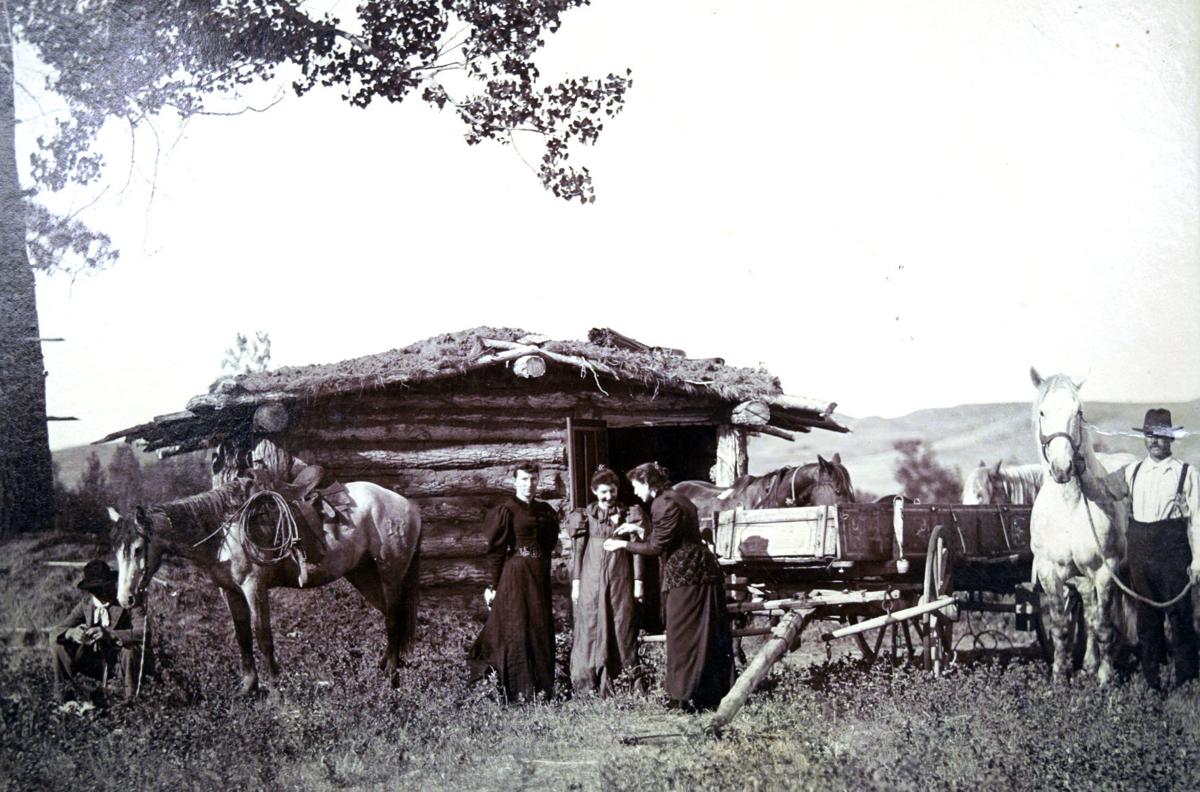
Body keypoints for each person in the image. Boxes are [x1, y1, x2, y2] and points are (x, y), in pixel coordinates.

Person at [1081, 408, 1200, 690]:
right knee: (1147, 624)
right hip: (1140, 554)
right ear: (1144, 438)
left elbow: (1198, 518)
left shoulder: (1187, 472)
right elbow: (1100, 490)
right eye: (1150, 435)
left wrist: (1198, 561)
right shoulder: (1132, 471)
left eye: (1161, 435)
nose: (1155, 441)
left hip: (1173, 553)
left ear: (1170, 438)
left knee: (1180, 619)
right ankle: (1152, 685)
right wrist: (1080, 471)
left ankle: (1187, 685)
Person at [603, 462, 733, 711]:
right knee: (697, 633)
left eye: (636, 486)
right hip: (695, 573)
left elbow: (657, 547)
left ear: (648, 483)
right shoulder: (675, 497)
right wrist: (638, 529)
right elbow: (667, 534)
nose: (635, 492)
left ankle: (683, 696)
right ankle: (704, 694)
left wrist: (623, 546)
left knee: (682, 634)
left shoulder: (664, 503)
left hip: (690, 576)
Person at [467, 464, 561, 701]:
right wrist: (493, 586)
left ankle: (542, 690)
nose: (529, 484)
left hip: (539, 574)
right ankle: (518, 690)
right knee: (516, 626)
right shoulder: (506, 511)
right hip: (516, 575)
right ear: (515, 482)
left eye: (533, 479)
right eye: (524, 479)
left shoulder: (545, 511)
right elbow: (497, 552)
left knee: (539, 626)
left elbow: (549, 544)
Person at [569, 465, 645, 695]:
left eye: (612, 491)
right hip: (591, 578)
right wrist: (576, 582)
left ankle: (624, 680)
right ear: (594, 491)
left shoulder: (629, 514)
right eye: (603, 492)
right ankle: (588, 683)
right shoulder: (585, 516)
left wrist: (639, 581)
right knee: (591, 623)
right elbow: (578, 551)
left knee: (620, 622)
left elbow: (638, 549)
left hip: (619, 576)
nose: (608, 497)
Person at [50, 560, 153, 705]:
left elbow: (144, 632)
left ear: (112, 584)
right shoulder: (86, 604)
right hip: (94, 662)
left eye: (103, 587)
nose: (100, 593)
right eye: (94, 589)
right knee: (58, 645)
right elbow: (55, 631)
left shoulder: (129, 601)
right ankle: (66, 702)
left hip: (121, 663)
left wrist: (110, 634)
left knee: (129, 651)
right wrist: (71, 633)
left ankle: (130, 702)